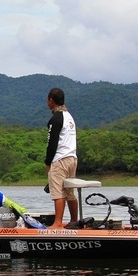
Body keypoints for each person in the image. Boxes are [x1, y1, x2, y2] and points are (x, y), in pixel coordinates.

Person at [45, 87, 78, 229]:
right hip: (72, 158)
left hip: (60, 159)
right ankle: (74, 221)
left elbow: (52, 143)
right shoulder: (69, 117)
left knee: (58, 191)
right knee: (70, 191)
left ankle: (57, 223)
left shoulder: (55, 119)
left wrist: (48, 162)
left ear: (51, 100)